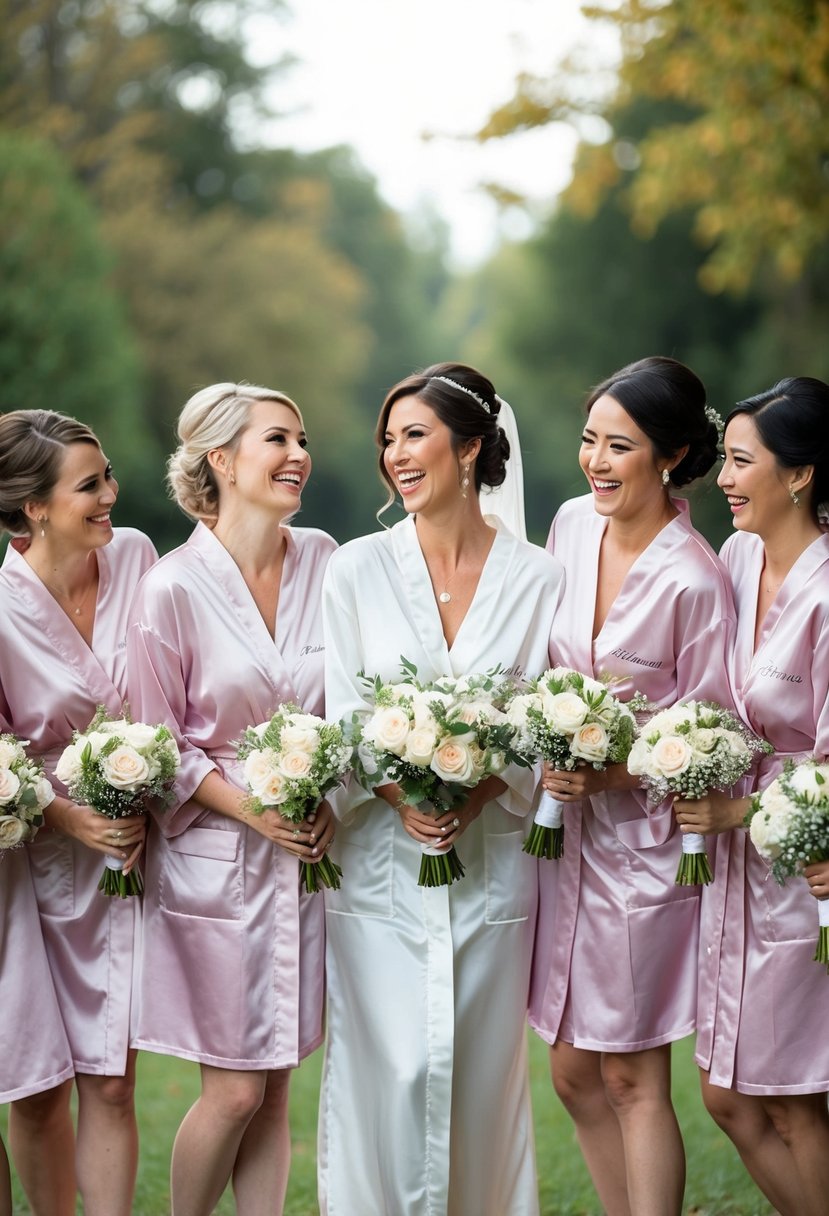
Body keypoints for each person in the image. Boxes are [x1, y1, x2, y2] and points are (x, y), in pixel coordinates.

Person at [318, 362, 564, 1216]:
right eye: (387, 439)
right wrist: (402, 797)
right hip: (380, 863)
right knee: (389, 1069)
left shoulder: (538, 578)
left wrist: (476, 788)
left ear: (469, 449)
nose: (395, 454)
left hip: (490, 862)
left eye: (413, 435)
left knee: (478, 1075)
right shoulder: (353, 570)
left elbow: (541, 719)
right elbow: (344, 714)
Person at [529, 356, 732, 1216]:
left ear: (672, 455)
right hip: (562, 840)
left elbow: (717, 734)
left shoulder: (695, 579)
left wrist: (610, 767)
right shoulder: (571, 525)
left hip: (647, 855)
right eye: (589, 440)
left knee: (630, 1071)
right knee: (572, 1070)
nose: (597, 462)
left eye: (620, 446)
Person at [126, 383, 335, 1216]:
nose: (298, 456)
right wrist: (254, 810)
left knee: (277, 1088)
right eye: (277, 439)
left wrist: (327, 792)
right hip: (217, 864)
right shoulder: (169, 591)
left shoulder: (325, 558)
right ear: (221, 459)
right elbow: (157, 742)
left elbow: (351, 698)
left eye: (302, 438)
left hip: (308, 860)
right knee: (234, 1093)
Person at [674, 376, 829, 1216]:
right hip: (731, 877)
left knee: (793, 1099)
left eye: (740, 461)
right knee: (726, 1095)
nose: (723, 478)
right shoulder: (734, 558)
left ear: (798, 474)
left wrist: (742, 810)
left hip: (803, 870)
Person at [0, 410, 156, 1216]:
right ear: (33, 506)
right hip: (31, 864)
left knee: (114, 1078)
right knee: (33, 1089)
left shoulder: (134, 556)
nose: (110, 496)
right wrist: (64, 818)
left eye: (107, 478)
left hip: (130, 855)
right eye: (89, 485)